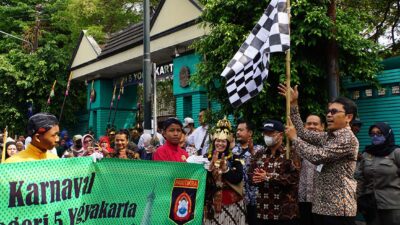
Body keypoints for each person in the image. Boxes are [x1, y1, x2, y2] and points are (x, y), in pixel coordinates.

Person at [280, 84, 359, 225]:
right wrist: (293, 105)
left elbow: (318, 156)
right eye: (328, 111)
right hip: (321, 206)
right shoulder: (329, 136)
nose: (329, 114)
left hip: (339, 209)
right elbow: (304, 133)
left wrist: (294, 139)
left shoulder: (347, 138)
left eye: (334, 111)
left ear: (348, 117)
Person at [248, 119, 300, 225]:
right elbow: (250, 174)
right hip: (263, 212)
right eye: (265, 132)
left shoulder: (291, 153)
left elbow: (293, 179)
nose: (266, 135)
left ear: (280, 135)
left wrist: (268, 177)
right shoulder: (259, 154)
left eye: (270, 133)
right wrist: (255, 178)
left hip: (285, 214)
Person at [356, 122, 400, 225]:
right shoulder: (366, 154)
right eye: (373, 134)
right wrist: (359, 198)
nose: (375, 136)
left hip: (393, 206)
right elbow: (360, 178)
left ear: (387, 134)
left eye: (379, 133)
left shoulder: (396, 152)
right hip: (371, 205)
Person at [204, 117, 245, 225]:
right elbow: (202, 180)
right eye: (218, 141)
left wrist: (225, 170)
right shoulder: (205, 158)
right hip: (211, 202)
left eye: (223, 141)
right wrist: (210, 168)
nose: (220, 144)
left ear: (227, 143)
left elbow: (238, 178)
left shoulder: (235, 159)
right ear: (214, 142)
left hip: (231, 203)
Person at [232, 119, 264, 225]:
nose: (238, 132)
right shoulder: (233, 151)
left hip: (256, 198)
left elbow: (262, 167)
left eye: (241, 130)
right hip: (240, 197)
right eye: (237, 130)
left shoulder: (260, 149)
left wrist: (252, 152)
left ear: (250, 133)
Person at [298, 115, 324, 225]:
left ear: (322, 127)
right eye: (309, 124)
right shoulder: (297, 144)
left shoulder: (328, 145)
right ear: (304, 126)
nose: (312, 126)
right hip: (302, 198)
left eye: (315, 124)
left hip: (322, 199)